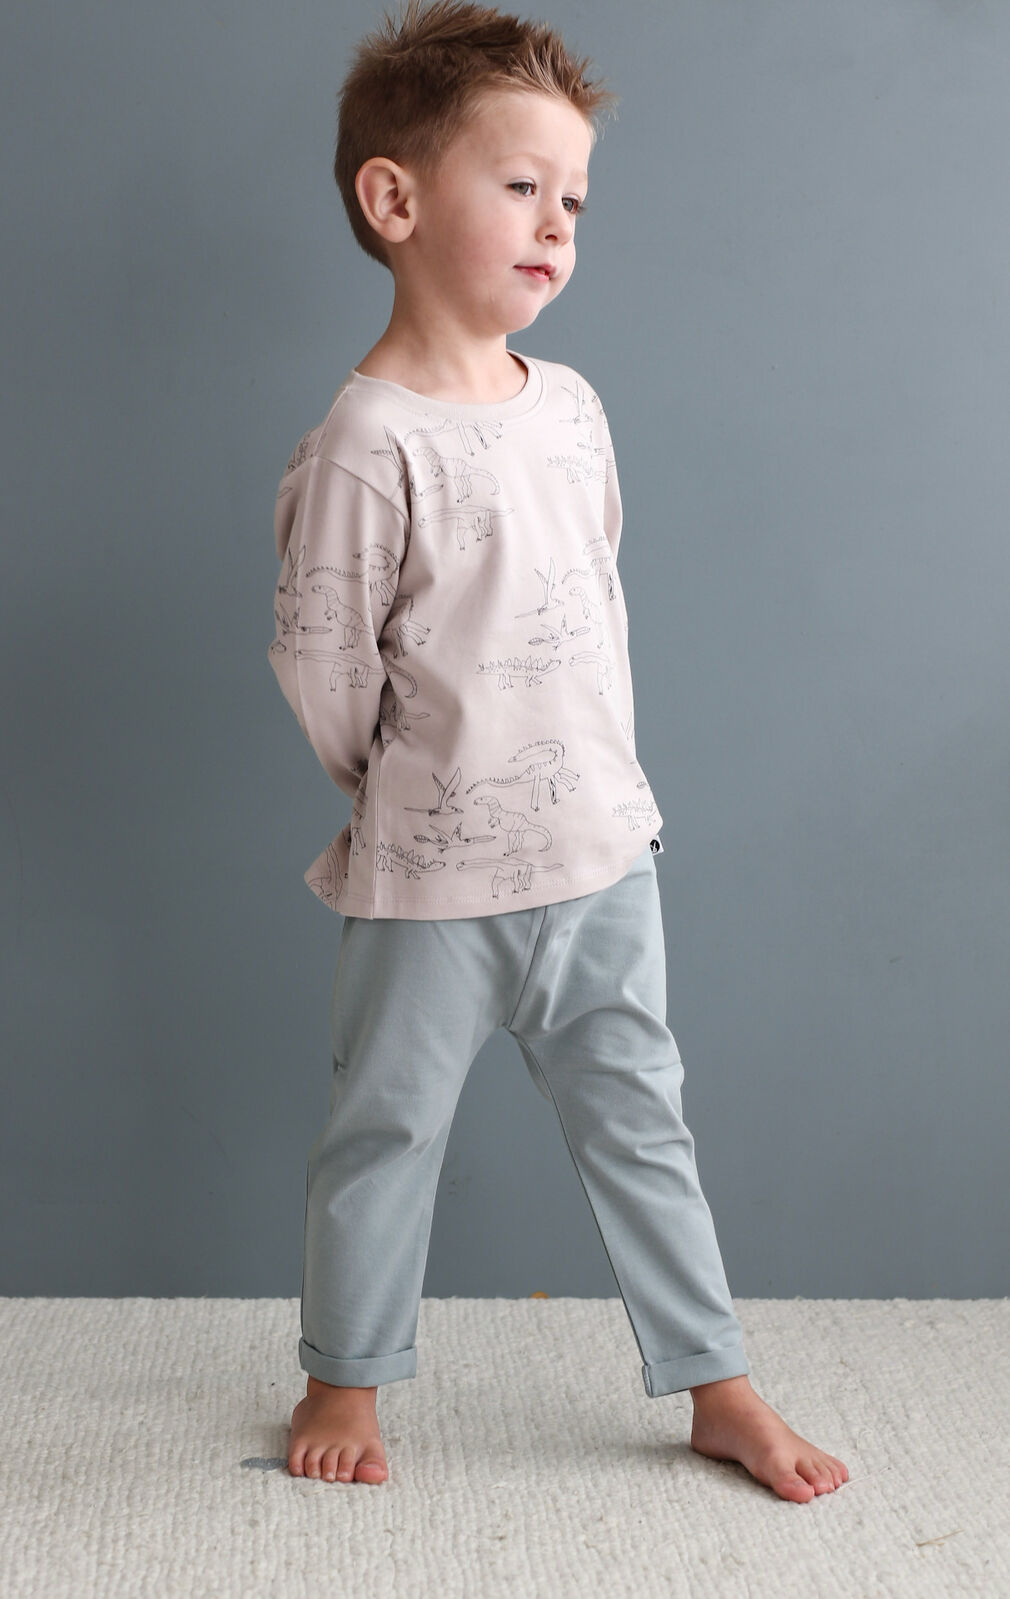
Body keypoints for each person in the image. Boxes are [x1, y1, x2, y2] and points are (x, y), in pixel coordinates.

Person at [269, 0, 849, 1502]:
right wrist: (406, 789)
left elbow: (592, 600)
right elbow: (324, 665)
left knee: (643, 1124)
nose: (555, 225)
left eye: (574, 200)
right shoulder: (366, 442)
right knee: (384, 1131)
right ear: (395, 199)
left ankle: (716, 1382)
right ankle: (346, 1379)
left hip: (600, 855)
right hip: (429, 882)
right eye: (521, 185)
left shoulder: (574, 409)